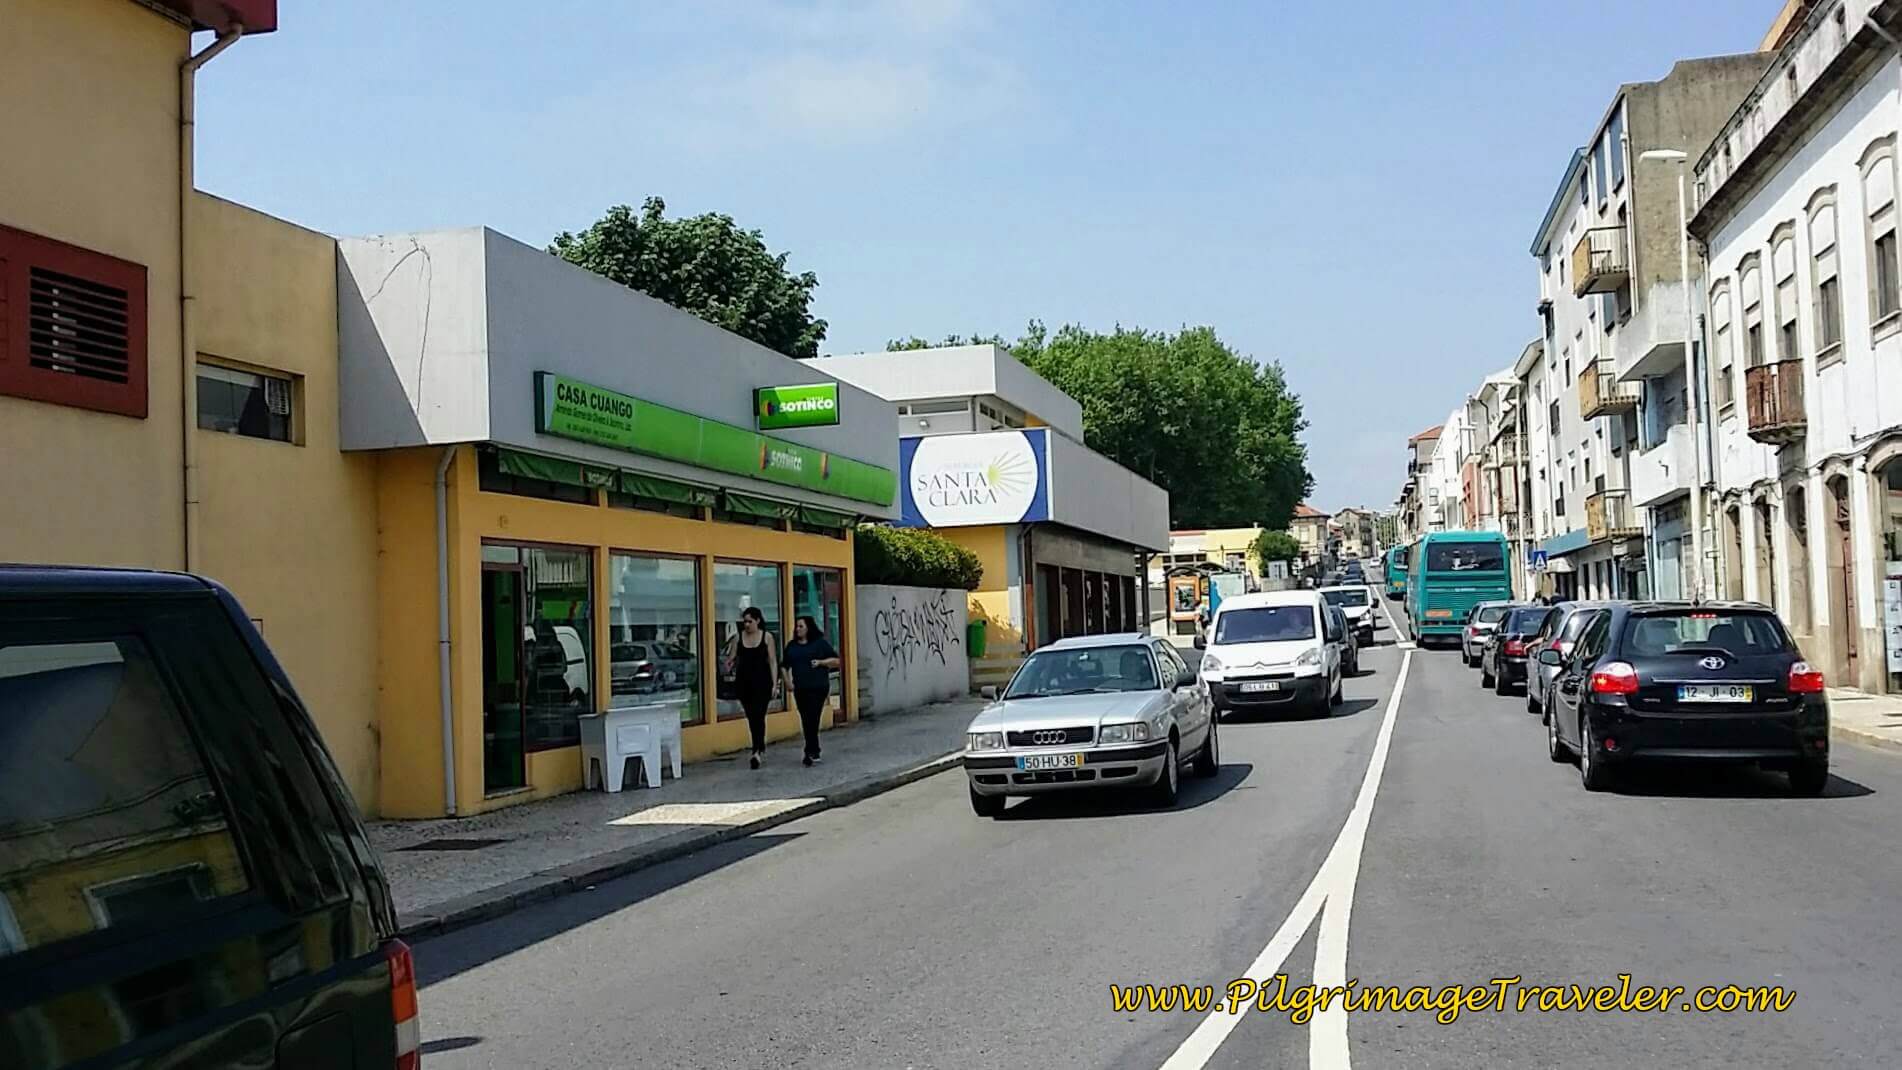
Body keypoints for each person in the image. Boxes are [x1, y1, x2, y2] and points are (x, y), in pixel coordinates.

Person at [722, 607, 779, 769]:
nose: (747, 625)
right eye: (744, 622)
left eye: (750, 621)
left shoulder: (767, 637)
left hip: (762, 682)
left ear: (758, 621)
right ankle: (759, 745)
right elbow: (732, 657)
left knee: (759, 715)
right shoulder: (738, 638)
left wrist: (775, 684)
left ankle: (757, 750)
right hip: (744, 682)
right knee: (751, 715)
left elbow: (773, 661)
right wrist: (728, 664)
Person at [782, 615, 843, 766]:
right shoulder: (792, 646)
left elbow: (837, 661)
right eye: (796, 626)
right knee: (805, 718)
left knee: (813, 717)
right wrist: (788, 682)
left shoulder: (819, 644)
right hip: (801, 688)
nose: (798, 629)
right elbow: (784, 665)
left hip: (818, 687)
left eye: (801, 626)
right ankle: (812, 750)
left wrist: (821, 662)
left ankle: (810, 751)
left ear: (808, 628)